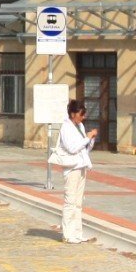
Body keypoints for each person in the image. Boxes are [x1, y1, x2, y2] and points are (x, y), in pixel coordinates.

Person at [48, 98, 97, 244]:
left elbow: (85, 148)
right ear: (73, 113)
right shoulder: (65, 127)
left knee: (78, 202)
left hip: (82, 165)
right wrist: (87, 138)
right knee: (70, 201)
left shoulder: (80, 126)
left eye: (84, 115)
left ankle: (77, 233)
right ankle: (68, 234)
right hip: (71, 168)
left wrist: (91, 139)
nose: (83, 117)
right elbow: (72, 148)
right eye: (81, 114)